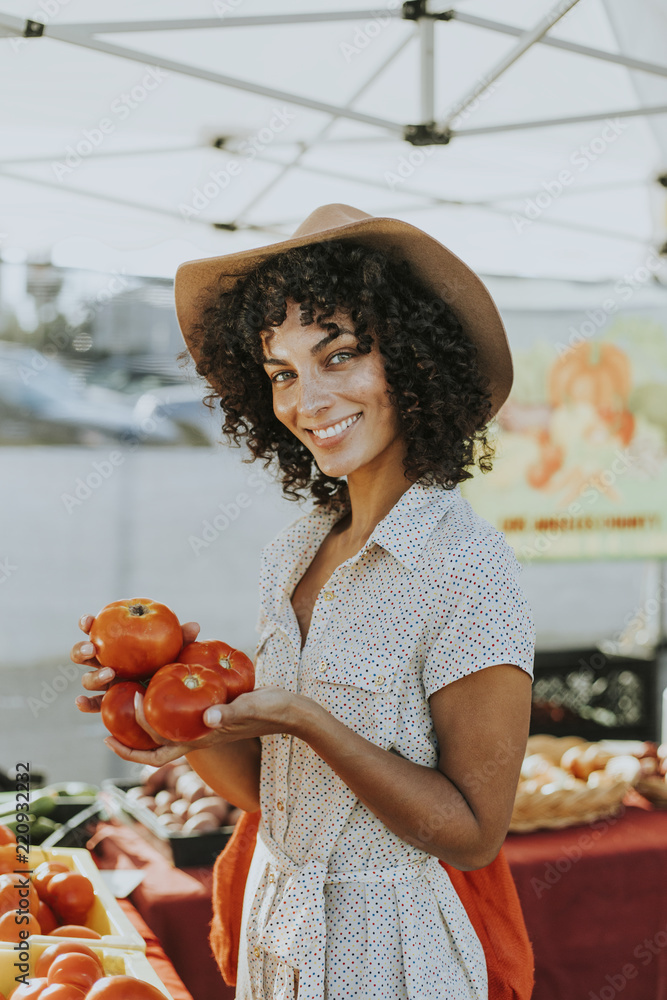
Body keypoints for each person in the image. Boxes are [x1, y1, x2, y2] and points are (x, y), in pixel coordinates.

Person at [72, 203, 535, 1000]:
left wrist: (308, 719)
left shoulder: (467, 565)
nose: (306, 400)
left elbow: (470, 833)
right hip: (274, 928)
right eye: (282, 372)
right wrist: (170, 713)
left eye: (340, 355)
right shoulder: (295, 550)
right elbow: (272, 791)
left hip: (390, 957)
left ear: (416, 362)